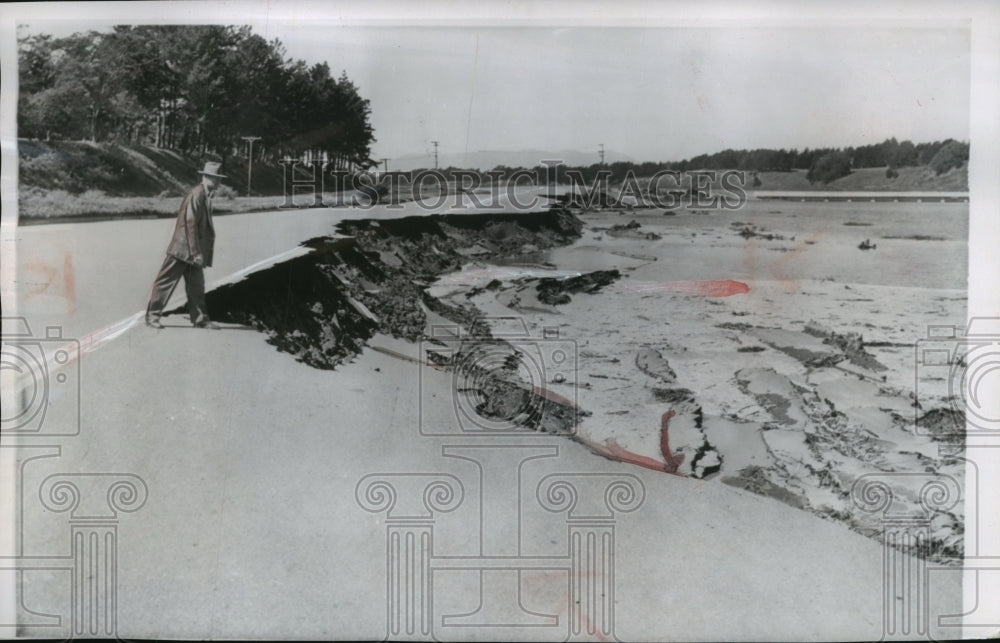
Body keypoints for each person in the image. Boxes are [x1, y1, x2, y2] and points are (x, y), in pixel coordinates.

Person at [145, 161, 226, 329]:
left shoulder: (205, 194)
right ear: (206, 177)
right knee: (165, 282)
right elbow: (190, 223)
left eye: (219, 179)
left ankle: (200, 319)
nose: (218, 183)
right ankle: (152, 316)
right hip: (183, 249)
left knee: (196, 286)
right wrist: (196, 252)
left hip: (191, 250)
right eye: (215, 179)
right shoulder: (197, 194)